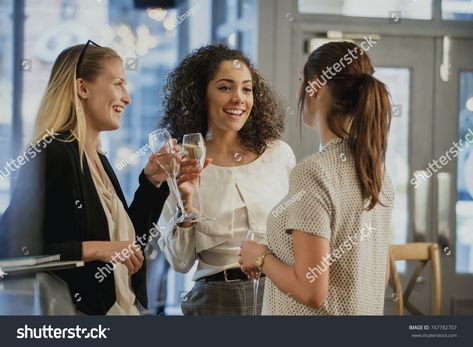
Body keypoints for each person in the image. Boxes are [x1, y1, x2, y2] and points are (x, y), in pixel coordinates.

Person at [0, 41, 192, 315]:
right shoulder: (52, 153)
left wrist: (152, 183)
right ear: (83, 88)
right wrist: (96, 250)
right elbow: (10, 247)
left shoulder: (98, 161)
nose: (128, 98)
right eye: (118, 84)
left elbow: (128, 247)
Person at [239, 41, 394, 315]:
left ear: (316, 89)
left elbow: (312, 291)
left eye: (301, 80)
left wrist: (260, 257)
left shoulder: (314, 172)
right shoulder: (378, 172)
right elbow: (379, 276)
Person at [156, 44, 295, 315]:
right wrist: (186, 204)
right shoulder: (180, 163)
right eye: (225, 87)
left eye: (247, 88)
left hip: (278, 293)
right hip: (215, 299)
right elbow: (180, 262)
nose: (239, 98)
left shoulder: (279, 155)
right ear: (200, 95)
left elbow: (299, 234)